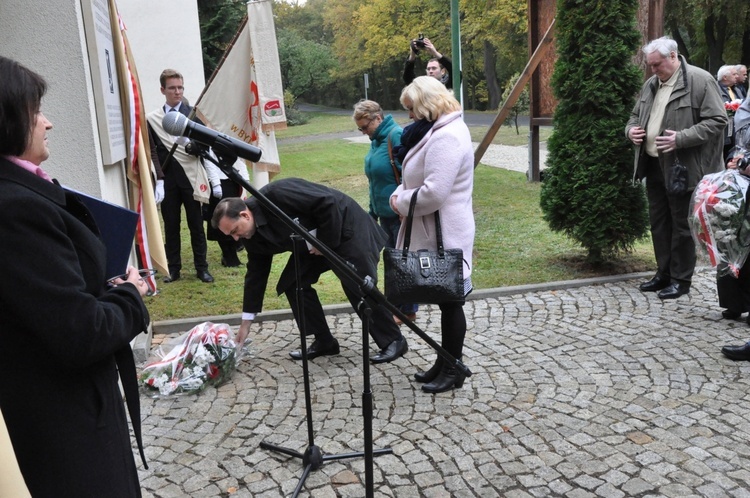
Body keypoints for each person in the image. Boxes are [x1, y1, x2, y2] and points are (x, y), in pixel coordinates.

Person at [0, 56, 151, 497]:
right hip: (64, 423)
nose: (48, 124)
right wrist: (132, 295)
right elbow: (79, 332)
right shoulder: (15, 209)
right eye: (36, 113)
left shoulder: (22, 194)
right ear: (8, 120)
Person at [211, 178, 409, 363]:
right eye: (231, 235)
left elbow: (329, 202)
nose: (236, 238)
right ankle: (324, 341)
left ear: (245, 215)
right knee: (294, 282)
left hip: (346, 229)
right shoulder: (250, 236)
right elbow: (256, 275)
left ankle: (393, 340)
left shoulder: (277, 194)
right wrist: (246, 323)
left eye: (235, 230)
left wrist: (324, 243)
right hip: (314, 246)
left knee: (358, 284)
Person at [389, 76, 475, 393]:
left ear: (426, 105)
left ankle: (453, 368)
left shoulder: (446, 137)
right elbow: (417, 179)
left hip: (445, 233)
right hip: (437, 229)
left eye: (412, 109)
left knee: (451, 302)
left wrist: (400, 201)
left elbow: (434, 193)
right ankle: (445, 361)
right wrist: (402, 195)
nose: (410, 117)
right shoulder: (440, 131)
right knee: (445, 302)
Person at [625, 37, 727, 300]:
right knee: (659, 223)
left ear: (673, 56)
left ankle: (681, 280)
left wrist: (680, 138)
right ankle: (663, 274)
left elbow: (718, 120)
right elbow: (635, 116)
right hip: (654, 165)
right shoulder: (651, 84)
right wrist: (631, 131)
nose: (653, 70)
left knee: (681, 226)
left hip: (684, 167)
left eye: (657, 65)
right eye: (650, 66)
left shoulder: (700, 80)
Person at [352, 99, 419, 325]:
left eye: (364, 127)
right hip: (382, 214)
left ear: (377, 118)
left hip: (399, 214)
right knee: (391, 261)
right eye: (360, 128)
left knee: (401, 262)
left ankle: (407, 310)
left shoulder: (395, 135)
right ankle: (396, 307)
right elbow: (375, 181)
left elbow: (409, 175)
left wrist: (404, 205)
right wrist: (372, 211)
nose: (363, 132)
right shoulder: (375, 141)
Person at [147, 68, 214, 283]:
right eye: (172, 88)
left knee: (196, 225)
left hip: (191, 177)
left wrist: (190, 145)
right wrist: (159, 178)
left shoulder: (193, 115)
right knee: (171, 225)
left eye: (180, 87)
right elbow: (153, 151)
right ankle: (173, 268)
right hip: (169, 180)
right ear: (163, 90)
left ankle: (201, 268)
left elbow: (205, 146)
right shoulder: (153, 119)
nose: (177, 92)